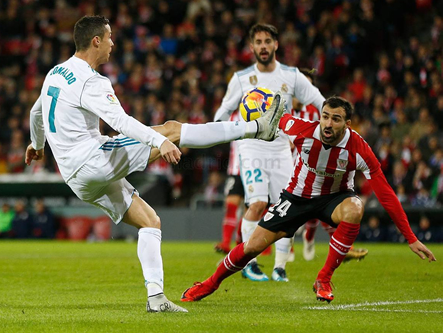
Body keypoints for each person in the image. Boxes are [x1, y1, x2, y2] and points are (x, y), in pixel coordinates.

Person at [25, 15, 284, 313]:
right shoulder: (92, 81)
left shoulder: (55, 73)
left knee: (151, 222)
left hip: (75, 178)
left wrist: (37, 145)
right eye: (109, 37)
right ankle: (256, 128)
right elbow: (120, 121)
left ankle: (156, 298)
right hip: (93, 160)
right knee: (172, 129)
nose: (113, 43)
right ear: (96, 40)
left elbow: (36, 112)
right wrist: (158, 142)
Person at [181, 96, 436, 304]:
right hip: (296, 198)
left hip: (335, 199)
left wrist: (411, 237)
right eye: (325, 116)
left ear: (348, 123)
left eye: (336, 119)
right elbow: (275, 119)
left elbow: (386, 194)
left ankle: (323, 278)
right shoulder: (302, 129)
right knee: (251, 247)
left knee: (355, 208)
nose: (327, 123)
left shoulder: (359, 148)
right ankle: (210, 283)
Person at [214, 23, 325, 282]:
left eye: (268, 41)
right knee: (257, 204)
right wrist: (214, 131)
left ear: (276, 44)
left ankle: (279, 268)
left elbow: (318, 100)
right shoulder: (241, 79)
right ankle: (249, 264)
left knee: (285, 207)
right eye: (258, 42)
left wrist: (332, 123)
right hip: (251, 147)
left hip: (281, 148)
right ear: (252, 47)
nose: (263, 46)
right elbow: (223, 109)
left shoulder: (292, 75)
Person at [294, 69, 368, 262]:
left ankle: (328, 243)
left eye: (309, 85)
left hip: (317, 159)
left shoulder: (318, 109)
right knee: (307, 202)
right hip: (289, 159)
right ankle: (293, 246)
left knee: (321, 198)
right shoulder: (287, 104)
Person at [214, 110, 245, 254]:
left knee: (253, 209)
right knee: (231, 204)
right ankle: (226, 243)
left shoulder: (260, 110)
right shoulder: (232, 114)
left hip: (256, 167)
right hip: (236, 169)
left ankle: (245, 244)